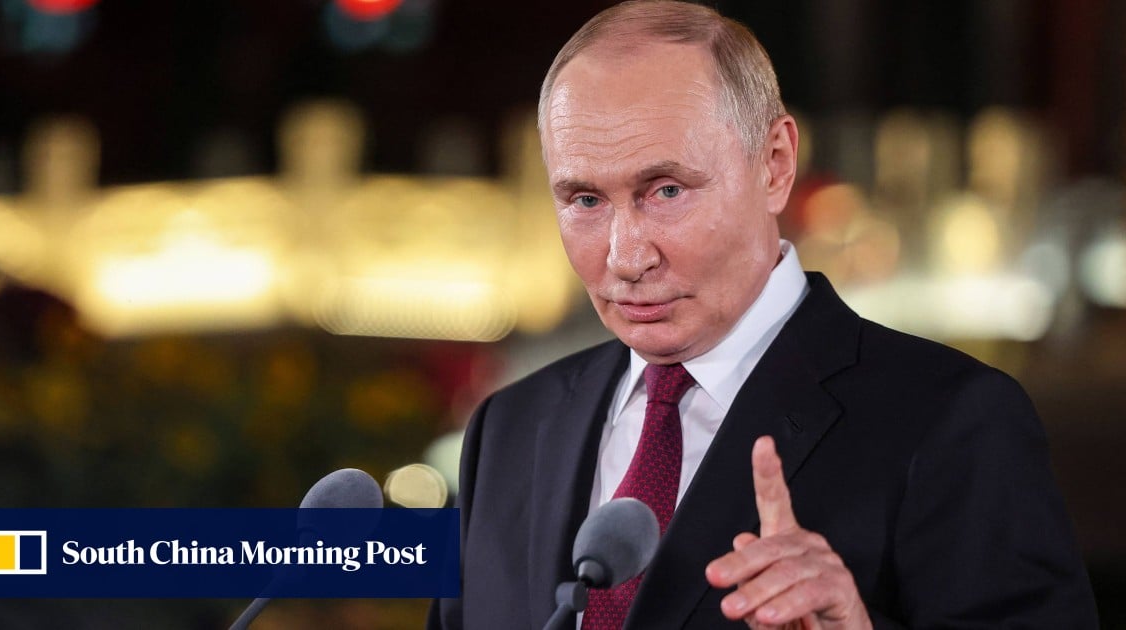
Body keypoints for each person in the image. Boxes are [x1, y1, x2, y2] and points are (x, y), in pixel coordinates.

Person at [427, 1, 1098, 628]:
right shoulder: (507, 428)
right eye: (584, 201)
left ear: (775, 165)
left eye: (666, 190)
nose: (626, 257)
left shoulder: (955, 421)